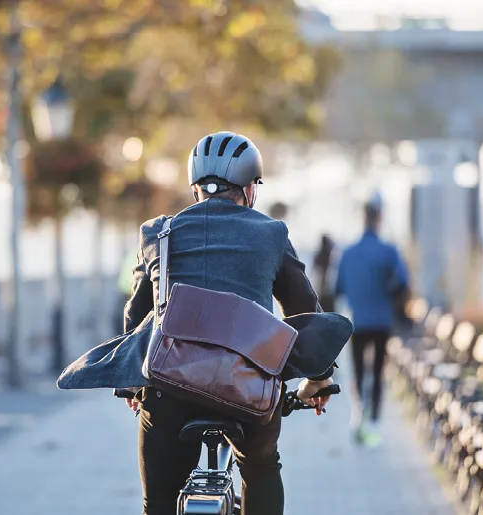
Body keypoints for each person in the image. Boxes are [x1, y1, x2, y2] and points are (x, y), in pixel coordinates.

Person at [122, 131, 336, 515]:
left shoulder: (158, 232)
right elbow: (305, 313)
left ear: (194, 190)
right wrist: (317, 380)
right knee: (261, 467)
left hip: (170, 389)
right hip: (248, 388)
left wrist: (131, 383)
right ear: (250, 189)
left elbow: (137, 317)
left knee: (157, 501)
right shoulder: (271, 234)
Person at [335, 194, 409, 447]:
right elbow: (402, 283)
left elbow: (338, 288)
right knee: (377, 372)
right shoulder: (389, 251)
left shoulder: (348, 253)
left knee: (357, 371)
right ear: (379, 219)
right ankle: (375, 420)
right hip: (382, 320)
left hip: (357, 321)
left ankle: (358, 414)